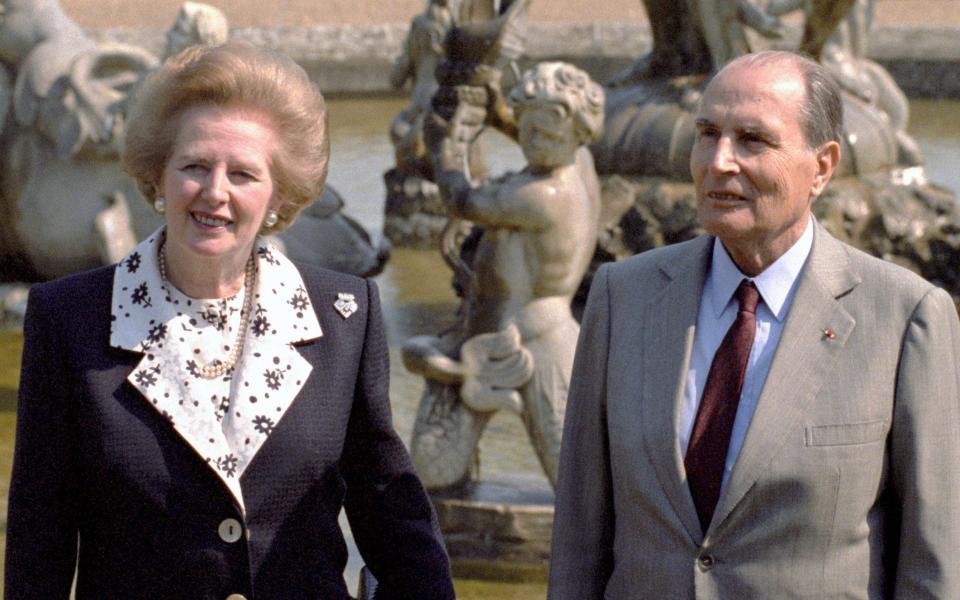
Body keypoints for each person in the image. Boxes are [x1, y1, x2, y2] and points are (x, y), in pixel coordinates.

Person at [5, 42, 455, 600]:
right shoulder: (68, 319)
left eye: (243, 173)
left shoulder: (345, 315)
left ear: (278, 195)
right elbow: (38, 545)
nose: (215, 191)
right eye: (194, 166)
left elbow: (396, 523)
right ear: (158, 177)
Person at [548, 50, 960, 599]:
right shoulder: (622, 297)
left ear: (822, 166)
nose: (719, 161)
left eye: (752, 140)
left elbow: (933, 566)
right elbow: (579, 539)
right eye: (707, 133)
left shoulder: (906, 316)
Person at [404, 62, 604, 490]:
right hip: (504, 331)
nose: (533, 142)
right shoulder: (580, 162)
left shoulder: (541, 196)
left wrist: (441, 146)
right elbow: (542, 133)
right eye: (526, 130)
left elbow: (461, 201)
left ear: (577, 132)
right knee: (434, 469)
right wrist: (497, 111)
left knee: (576, 479)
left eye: (545, 134)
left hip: (526, 337)